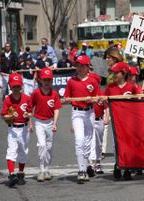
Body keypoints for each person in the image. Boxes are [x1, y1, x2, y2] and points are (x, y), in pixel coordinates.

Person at [63, 55, 101, 184]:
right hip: (77, 113)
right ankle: (81, 170)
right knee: (79, 140)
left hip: (90, 112)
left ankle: (85, 168)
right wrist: (68, 100)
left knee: (88, 141)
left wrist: (93, 99)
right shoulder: (71, 81)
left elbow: (99, 97)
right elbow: (66, 98)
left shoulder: (93, 81)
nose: (78, 68)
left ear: (87, 67)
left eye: (81, 65)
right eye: (77, 65)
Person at [105, 61, 139, 180]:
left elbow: (138, 102)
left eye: (116, 72)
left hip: (128, 120)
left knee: (128, 143)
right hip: (116, 120)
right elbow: (105, 102)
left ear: (124, 73)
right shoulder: (110, 87)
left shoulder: (131, 87)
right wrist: (106, 115)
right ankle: (118, 164)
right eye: (113, 72)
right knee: (116, 144)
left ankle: (127, 167)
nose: (114, 75)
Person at [0, 73, 32, 187]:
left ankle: (20, 173)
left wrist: (28, 115)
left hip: (24, 128)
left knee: (23, 150)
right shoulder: (8, 99)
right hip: (13, 128)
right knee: (12, 151)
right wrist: (11, 117)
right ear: (10, 86)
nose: (16, 89)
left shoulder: (27, 98)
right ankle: (12, 174)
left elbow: (29, 112)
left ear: (21, 86)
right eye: (14, 86)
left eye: (18, 86)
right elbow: (3, 115)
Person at [31, 68, 62, 182]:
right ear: (40, 80)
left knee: (49, 147)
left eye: (49, 80)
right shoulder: (36, 93)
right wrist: (30, 123)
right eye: (45, 80)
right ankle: (41, 169)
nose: (47, 82)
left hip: (49, 123)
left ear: (52, 80)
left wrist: (55, 123)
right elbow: (30, 108)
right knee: (42, 145)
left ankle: (47, 169)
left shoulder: (54, 94)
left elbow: (57, 109)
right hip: (39, 122)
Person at [88, 72, 110, 175]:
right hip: (90, 120)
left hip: (99, 120)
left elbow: (106, 107)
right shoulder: (87, 94)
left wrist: (106, 118)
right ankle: (90, 163)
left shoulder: (101, 94)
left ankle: (97, 162)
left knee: (99, 143)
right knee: (91, 142)